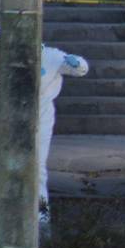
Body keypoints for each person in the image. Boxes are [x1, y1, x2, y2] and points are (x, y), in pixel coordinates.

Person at [36, 45, 89, 229]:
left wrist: (75, 62)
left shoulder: (50, 56)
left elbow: (81, 69)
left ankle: (41, 222)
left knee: (37, 169)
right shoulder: (9, 52)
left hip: (41, 117)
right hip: (12, 115)